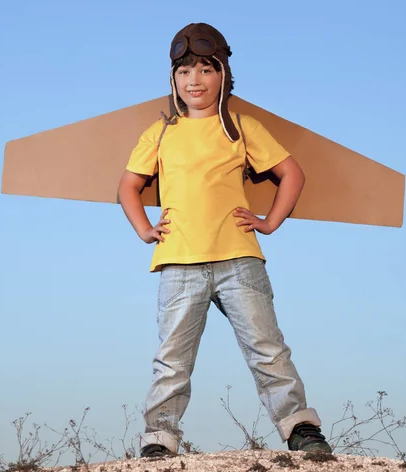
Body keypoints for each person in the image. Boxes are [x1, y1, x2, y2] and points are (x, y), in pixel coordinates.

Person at [117, 22, 332, 458]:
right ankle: (159, 438)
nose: (194, 80)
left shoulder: (242, 127)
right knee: (172, 359)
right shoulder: (159, 133)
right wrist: (144, 230)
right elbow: (127, 186)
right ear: (173, 80)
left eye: (205, 69)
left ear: (223, 75)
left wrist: (270, 222)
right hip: (178, 263)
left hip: (239, 260)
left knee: (268, 350)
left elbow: (292, 173)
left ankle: (299, 429)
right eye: (184, 72)